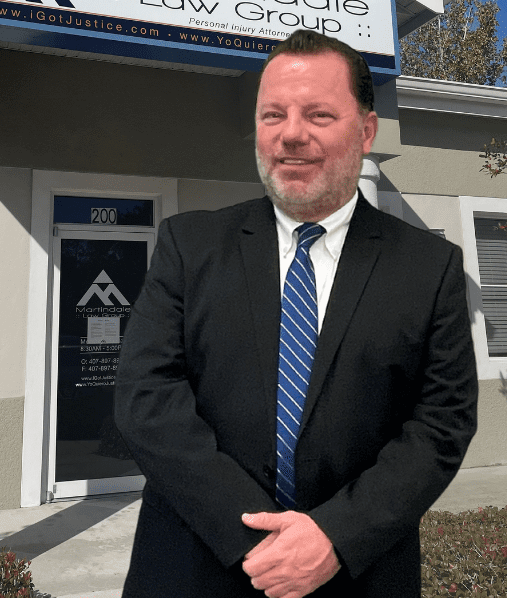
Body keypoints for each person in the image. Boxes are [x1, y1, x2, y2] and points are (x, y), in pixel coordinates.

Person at [113, 29, 478, 598]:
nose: (291, 135)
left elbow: (441, 424)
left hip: (357, 571)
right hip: (196, 566)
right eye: (273, 114)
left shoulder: (429, 268)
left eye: (319, 115)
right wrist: (258, 537)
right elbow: (147, 402)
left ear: (366, 129)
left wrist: (334, 536)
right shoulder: (190, 246)